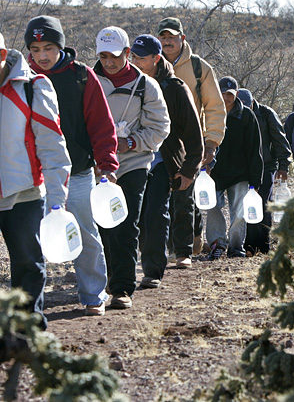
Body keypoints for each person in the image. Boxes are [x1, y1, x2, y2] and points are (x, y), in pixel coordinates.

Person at [0, 24, 71, 347]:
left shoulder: (34, 87)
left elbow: (52, 144)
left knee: (27, 262)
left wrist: (56, 199)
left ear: (3, 55)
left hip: (24, 193)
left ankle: (26, 330)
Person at [25, 16, 118, 317]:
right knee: (30, 238)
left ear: (60, 46)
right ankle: (30, 304)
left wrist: (106, 163)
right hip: (34, 176)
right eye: (35, 48)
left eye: (49, 47)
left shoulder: (82, 76)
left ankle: (93, 294)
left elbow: (101, 123)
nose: (42, 55)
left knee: (85, 232)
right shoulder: (21, 77)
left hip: (77, 171)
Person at [94, 26, 170, 309]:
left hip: (133, 163)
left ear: (127, 53)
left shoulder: (147, 86)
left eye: (114, 56)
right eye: (103, 56)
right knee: (101, 225)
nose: (109, 62)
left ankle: (122, 289)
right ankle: (108, 279)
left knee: (125, 224)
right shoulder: (89, 82)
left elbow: (161, 127)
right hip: (96, 166)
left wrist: (133, 142)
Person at [129, 34, 203, 284]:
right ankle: (129, 266)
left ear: (156, 58)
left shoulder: (175, 88)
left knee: (156, 214)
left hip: (162, 162)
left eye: (142, 58)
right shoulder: (124, 83)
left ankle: (152, 271)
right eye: (133, 56)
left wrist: (189, 168)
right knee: (134, 218)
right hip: (129, 160)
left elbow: (193, 133)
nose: (136, 61)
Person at [156, 17, 226, 255]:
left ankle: (186, 245)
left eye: (171, 37)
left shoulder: (200, 68)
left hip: (189, 142)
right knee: (160, 195)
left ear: (182, 38)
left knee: (184, 195)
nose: (167, 41)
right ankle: (169, 247)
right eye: (163, 37)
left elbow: (215, 106)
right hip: (157, 140)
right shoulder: (148, 64)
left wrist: (211, 142)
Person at [206, 77, 263, 260]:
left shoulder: (246, 116)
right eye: (222, 93)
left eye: (230, 94)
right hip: (213, 172)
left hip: (240, 173)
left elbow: (255, 149)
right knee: (212, 206)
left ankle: (236, 246)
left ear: (236, 94)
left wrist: (256, 179)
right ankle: (217, 243)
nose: (226, 97)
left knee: (239, 212)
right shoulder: (210, 114)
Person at [237, 88, 291, 255]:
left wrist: (283, 166)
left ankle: (263, 245)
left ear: (252, 103)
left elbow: (280, 140)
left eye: (247, 106)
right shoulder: (235, 112)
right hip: (245, 167)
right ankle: (249, 246)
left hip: (266, 166)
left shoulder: (267, 114)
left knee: (262, 203)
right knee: (246, 204)